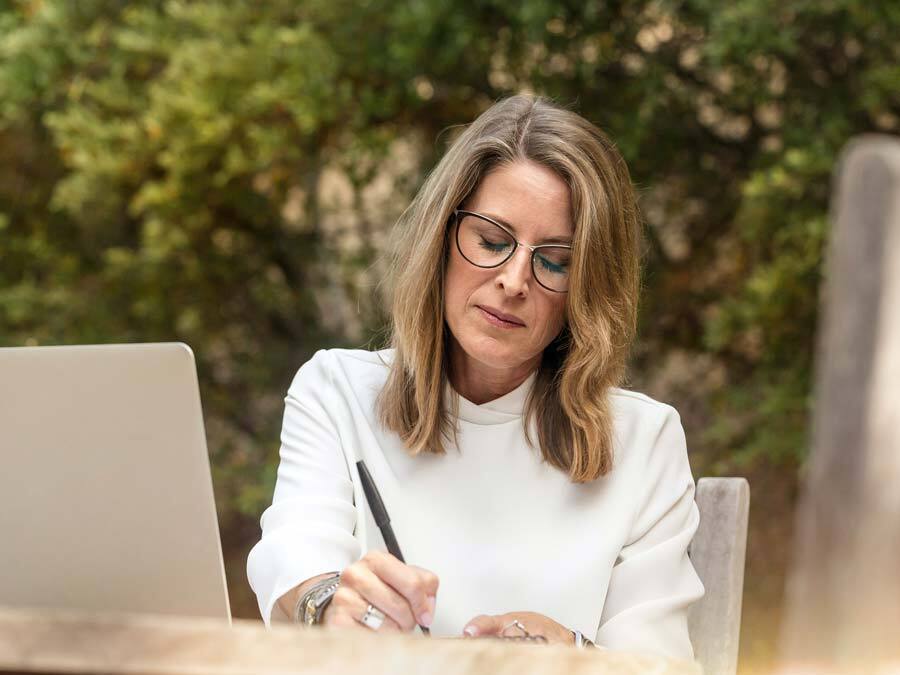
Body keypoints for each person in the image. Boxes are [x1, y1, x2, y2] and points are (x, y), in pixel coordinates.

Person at [246, 94, 705, 659]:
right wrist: (329, 604)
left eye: (555, 261)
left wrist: (576, 655)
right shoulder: (337, 391)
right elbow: (297, 555)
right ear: (442, 237)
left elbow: (659, 661)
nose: (514, 280)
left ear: (587, 288)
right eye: (491, 241)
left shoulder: (644, 440)